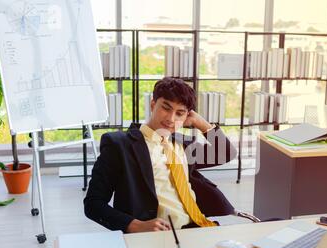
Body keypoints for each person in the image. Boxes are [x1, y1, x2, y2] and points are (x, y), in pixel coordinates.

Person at [84, 77, 238, 233]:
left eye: (179, 113)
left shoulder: (183, 145)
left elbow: (225, 153)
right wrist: (136, 225)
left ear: (187, 117)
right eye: (166, 108)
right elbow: (93, 204)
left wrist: (201, 123)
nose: (171, 119)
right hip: (158, 235)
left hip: (199, 227)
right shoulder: (120, 145)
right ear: (153, 105)